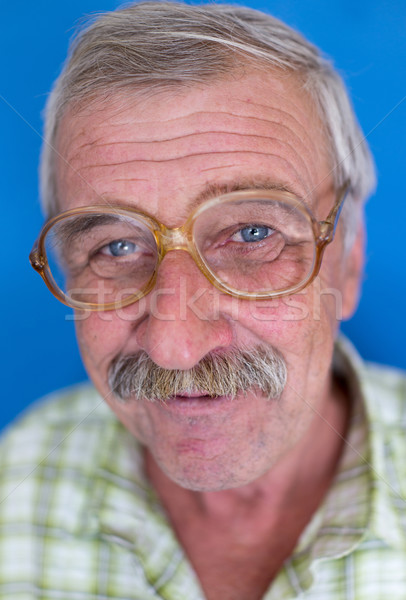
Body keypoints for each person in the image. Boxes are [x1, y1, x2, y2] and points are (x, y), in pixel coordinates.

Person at [1, 2, 405, 598]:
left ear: (346, 259)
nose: (174, 347)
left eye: (252, 235)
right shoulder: (13, 485)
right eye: (116, 246)